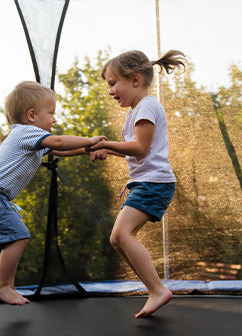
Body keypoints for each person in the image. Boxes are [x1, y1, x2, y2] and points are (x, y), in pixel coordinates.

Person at [0, 81, 107, 305]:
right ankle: (1, 284)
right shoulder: (25, 133)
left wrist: (86, 150)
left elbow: (61, 149)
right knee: (19, 237)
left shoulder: (29, 137)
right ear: (32, 115)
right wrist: (90, 140)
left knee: (15, 238)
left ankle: (6, 285)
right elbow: (60, 141)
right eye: (51, 113)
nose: (55, 119)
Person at [87, 50, 186, 318]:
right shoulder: (135, 112)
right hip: (146, 183)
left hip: (155, 184)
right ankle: (155, 289)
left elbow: (140, 147)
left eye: (112, 83)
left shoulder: (147, 106)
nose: (110, 91)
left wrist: (106, 144)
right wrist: (109, 151)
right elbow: (137, 151)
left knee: (121, 235)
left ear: (134, 79)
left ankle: (157, 290)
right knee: (117, 239)